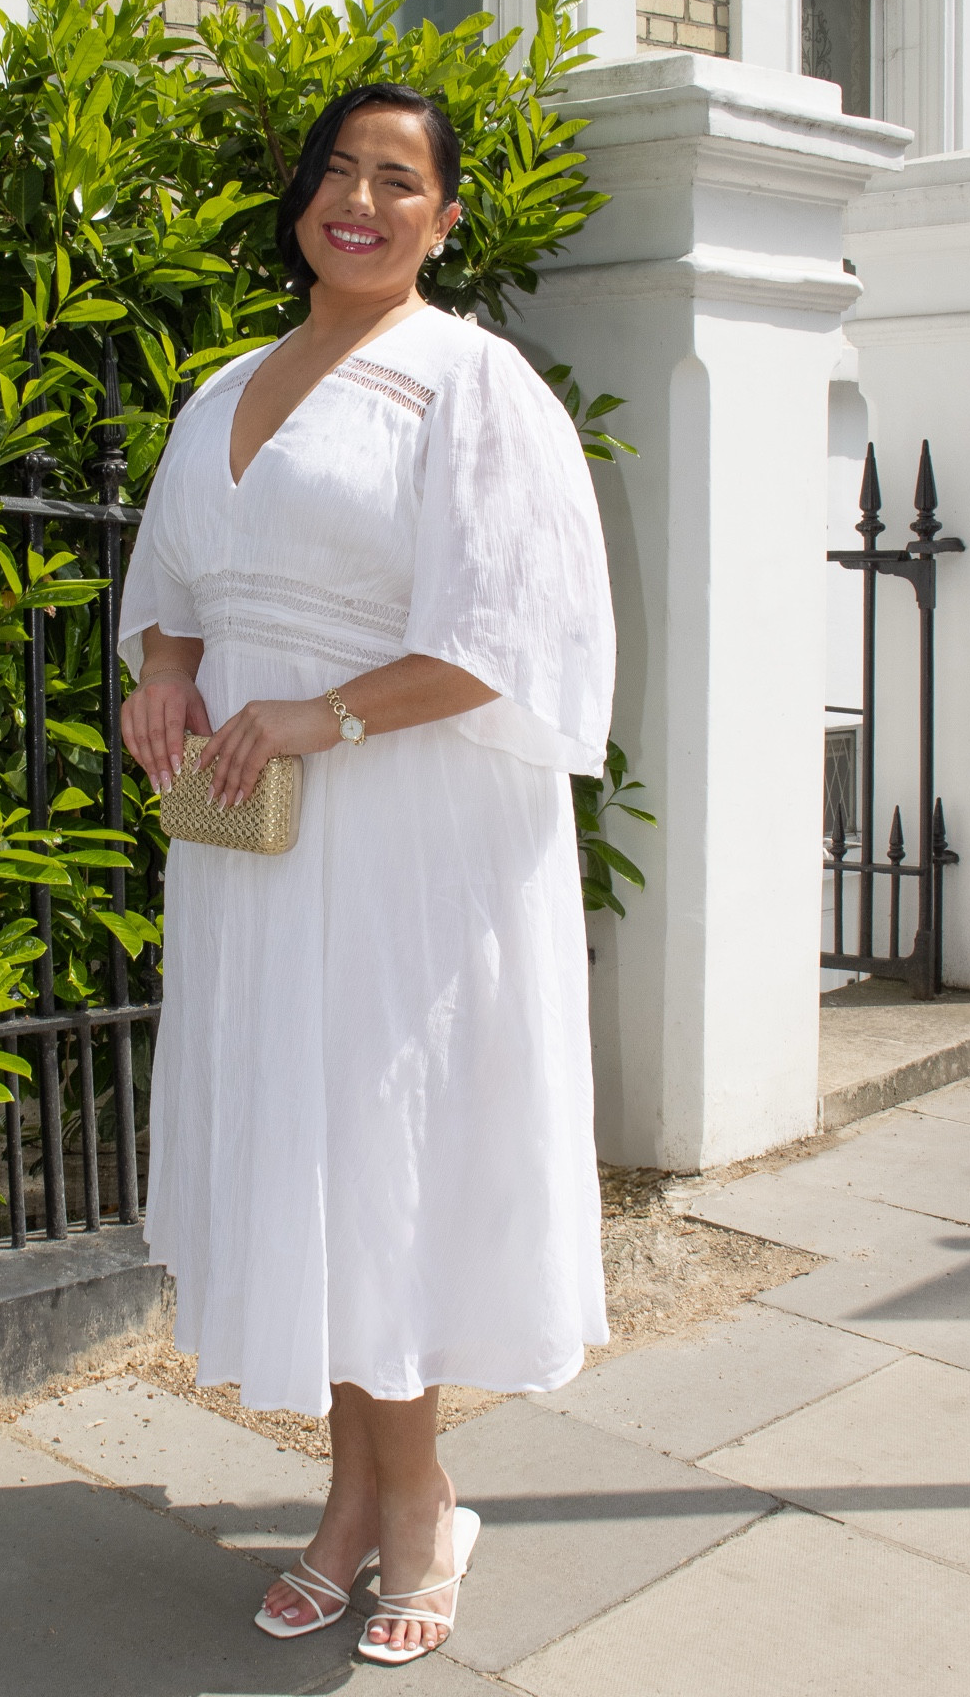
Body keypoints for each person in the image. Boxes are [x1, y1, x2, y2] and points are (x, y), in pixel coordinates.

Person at [118, 81, 615, 1666]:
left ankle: (410, 1510)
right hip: (255, 841)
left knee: (379, 1156)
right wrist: (159, 674)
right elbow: (177, 581)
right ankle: (353, 1502)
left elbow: (506, 640)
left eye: (397, 180)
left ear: (444, 217)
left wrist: (321, 712)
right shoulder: (225, 389)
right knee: (304, 1158)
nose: (359, 200)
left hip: (405, 831)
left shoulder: (470, 383)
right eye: (337, 170)